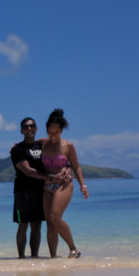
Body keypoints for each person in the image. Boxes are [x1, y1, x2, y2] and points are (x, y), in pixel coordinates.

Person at [40, 108, 88, 258]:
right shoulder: (42, 143)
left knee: (55, 216)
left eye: (56, 133)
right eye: (50, 132)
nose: (53, 136)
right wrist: (15, 146)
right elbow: (26, 146)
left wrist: (82, 185)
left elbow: (76, 166)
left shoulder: (68, 146)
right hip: (47, 184)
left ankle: (73, 249)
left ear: (61, 131)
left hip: (64, 185)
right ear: (47, 130)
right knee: (49, 223)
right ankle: (53, 257)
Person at [9, 117, 47, 258]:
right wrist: (49, 178)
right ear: (21, 131)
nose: (29, 129)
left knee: (36, 226)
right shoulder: (17, 149)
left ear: (36, 128)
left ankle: (35, 257)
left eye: (32, 126)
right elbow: (27, 170)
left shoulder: (42, 146)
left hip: (40, 191)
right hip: (23, 191)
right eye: (25, 127)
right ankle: (21, 258)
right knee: (23, 224)